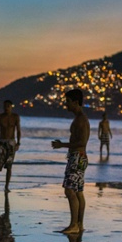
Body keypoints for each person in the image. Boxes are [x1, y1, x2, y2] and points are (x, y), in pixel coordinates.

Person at [52, 89, 90, 234]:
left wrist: (62, 145)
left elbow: (82, 142)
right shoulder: (80, 118)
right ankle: (79, 224)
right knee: (78, 191)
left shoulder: (81, 119)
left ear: (75, 102)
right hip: (79, 157)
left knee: (70, 190)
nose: (65, 104)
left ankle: (74, 224)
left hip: (77, 157)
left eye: (67, 101)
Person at [0, 100, 21, 194]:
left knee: (9, 166)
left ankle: (6, 187)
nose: (6, 108)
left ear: (11, 107)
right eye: (5, 106)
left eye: (8, 106)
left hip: (11, 143)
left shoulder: (15, 117)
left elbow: (18, 131)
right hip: (2, 143)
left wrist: (18, 143)